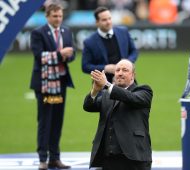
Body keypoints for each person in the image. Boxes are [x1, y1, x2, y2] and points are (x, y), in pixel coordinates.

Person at [83, 59, 153, 170]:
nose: (120, 73)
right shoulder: (107, 94)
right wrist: (95, 90)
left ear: (133, 75)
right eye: (117, 70)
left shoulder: (143, 91)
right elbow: (88, 106)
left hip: (134, 158)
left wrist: (106, 84)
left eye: (125, 70)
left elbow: (129, 97)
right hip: (108, 159)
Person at [30, 3, 75, 170]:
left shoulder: (66, 31)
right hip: (46, 84)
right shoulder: (38, 33)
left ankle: (55, 158)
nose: (58, 19)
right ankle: (43, 159)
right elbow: (38, 56)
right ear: (47, 16)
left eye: (60, 16)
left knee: (57, 121)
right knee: (45, 121)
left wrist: (68, 56)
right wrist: (60, 54)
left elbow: (72, 54)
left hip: (61, 82)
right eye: (55, 16)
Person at [82, 6, 138, 83]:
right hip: (103, 84)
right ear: (97, 22)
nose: (108, 22)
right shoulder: (89, 42)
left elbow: (134, 51)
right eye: (104, 20)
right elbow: (85, 66)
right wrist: (105, 68)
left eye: (109, 18)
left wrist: (126, 63)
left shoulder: (123, 32)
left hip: (127, 80)